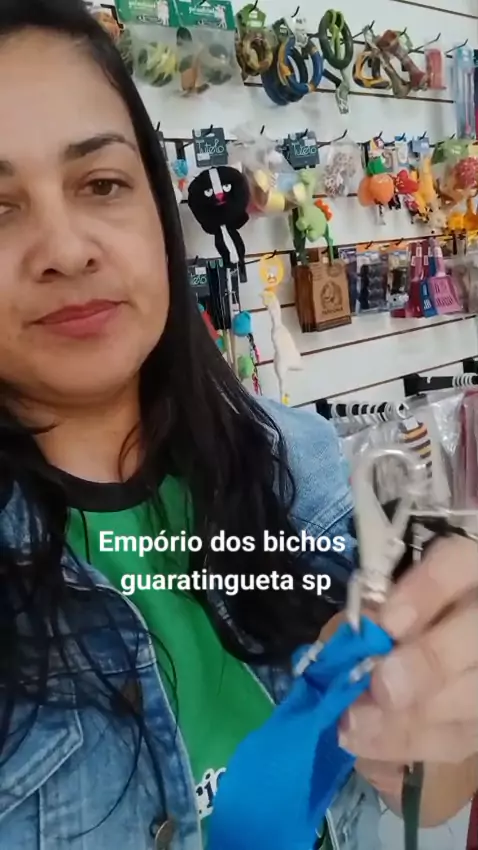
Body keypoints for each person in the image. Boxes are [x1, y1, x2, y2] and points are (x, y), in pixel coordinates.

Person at [0, 2, 476, 848]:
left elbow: (425, 793)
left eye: (101, 184)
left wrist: (430, 725)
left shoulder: (303, 464)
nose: (66, 250)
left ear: (156, 205)